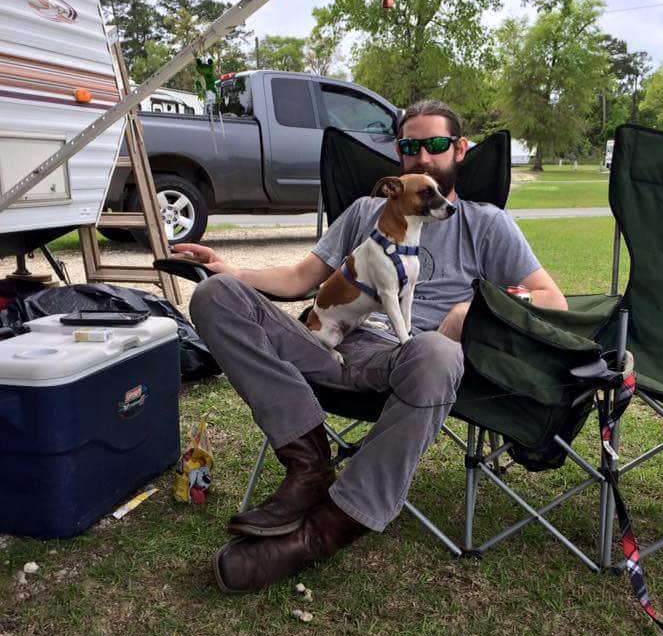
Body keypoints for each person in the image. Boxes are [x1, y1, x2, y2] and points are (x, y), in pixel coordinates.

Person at [177, 100, 567, 595]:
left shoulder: (486, 224)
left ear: (460, 149)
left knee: (438, 351)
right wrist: (229, 270)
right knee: (215, 296)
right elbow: (301, 277)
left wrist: (473, 311)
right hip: (333, 344)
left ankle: (325, 530)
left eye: (436, 144)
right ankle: (308, 465)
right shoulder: (366, 211)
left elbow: (551, 298)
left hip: (413, 361)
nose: (422, 156)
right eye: (409, 146)